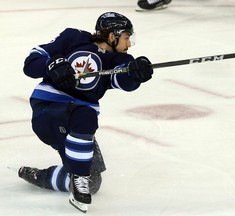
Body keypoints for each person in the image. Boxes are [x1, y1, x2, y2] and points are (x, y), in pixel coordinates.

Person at [19, 11, 153, 213]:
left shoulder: (117, 60)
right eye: (126, 37)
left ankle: (42, 176)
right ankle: (79, 175)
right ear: (111, 36)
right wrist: (51, 65)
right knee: (87, 116)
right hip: (48, 109)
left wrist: (136, 73)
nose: (129, 44)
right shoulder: (74, 37)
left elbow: (124, 81)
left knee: (94, 181)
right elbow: (31, 63)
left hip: (76, 120)